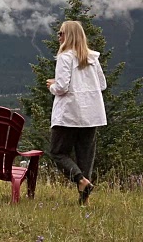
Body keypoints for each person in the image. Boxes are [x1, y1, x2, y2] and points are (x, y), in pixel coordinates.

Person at [46, 21, 107, 206]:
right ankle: (84, 201)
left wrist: (52, 85)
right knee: (85, 156)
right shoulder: (92, 58)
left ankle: (81, 180)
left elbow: (62, 87)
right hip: (92, 114)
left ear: (69, 36)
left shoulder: (65, 57)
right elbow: (102, 85)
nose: (58, 36)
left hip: (69, 114)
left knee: (58, 152)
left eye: (61, 33)